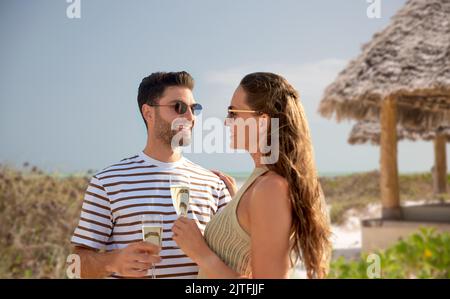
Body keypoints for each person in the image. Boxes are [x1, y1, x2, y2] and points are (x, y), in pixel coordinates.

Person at [70, 71, 232, 278]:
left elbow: (235, 263)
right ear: (148, 113)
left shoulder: (214, 185)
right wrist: (112, 262)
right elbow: (74, 266)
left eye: (194, 108)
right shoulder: (107, 182)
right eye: (179, 107)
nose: (190, 117)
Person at [172, 72, 331, 279]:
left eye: (233, 113)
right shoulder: (260, 183)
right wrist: (237, 205)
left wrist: (201, 254)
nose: (227, 123)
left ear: (263, 122)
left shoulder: (270, 188)